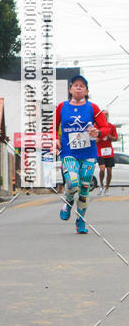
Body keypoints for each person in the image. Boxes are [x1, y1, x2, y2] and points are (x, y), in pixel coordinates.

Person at [55, 75, 108, 233]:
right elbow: (52, 127)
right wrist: (54, 140)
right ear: (70, 89)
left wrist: (97, 131)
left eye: (82, 86)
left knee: (85, 187)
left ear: (86, 91)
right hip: (68, 152)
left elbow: (105, 128)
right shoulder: (61, 107)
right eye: (75, 85)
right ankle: (69, 201)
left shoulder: (93, 108)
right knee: (72, 182)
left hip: (88, 153)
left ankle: (81, 221)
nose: (78, 88)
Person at [97, 110, 118, 195]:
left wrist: (109, 136)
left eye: (106, 115)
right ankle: (101, 185)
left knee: (109, 170)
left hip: (109, 151)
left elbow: (116, 138)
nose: (105, 116)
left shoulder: (112, 126)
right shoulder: (97, 126)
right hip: (100, 152)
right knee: (102, 169)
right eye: (103, 115)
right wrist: (100, 137)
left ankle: (107, 188)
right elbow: (94, 140)